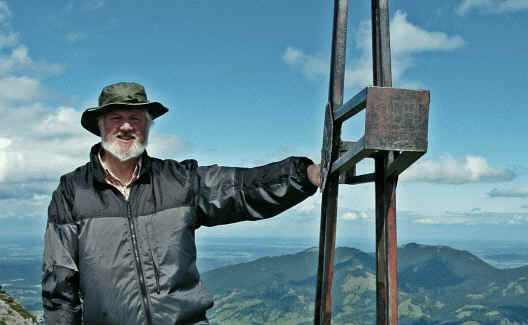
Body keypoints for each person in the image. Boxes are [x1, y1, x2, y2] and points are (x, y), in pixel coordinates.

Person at [42, 82, 321, 325]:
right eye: (116, 118)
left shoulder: (179, 181)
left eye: (136, 118)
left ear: (148, 126)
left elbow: (243, 188)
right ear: (101, 127)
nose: (126, 126)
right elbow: (59, 284)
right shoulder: (73, 191)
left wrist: (306, 175)